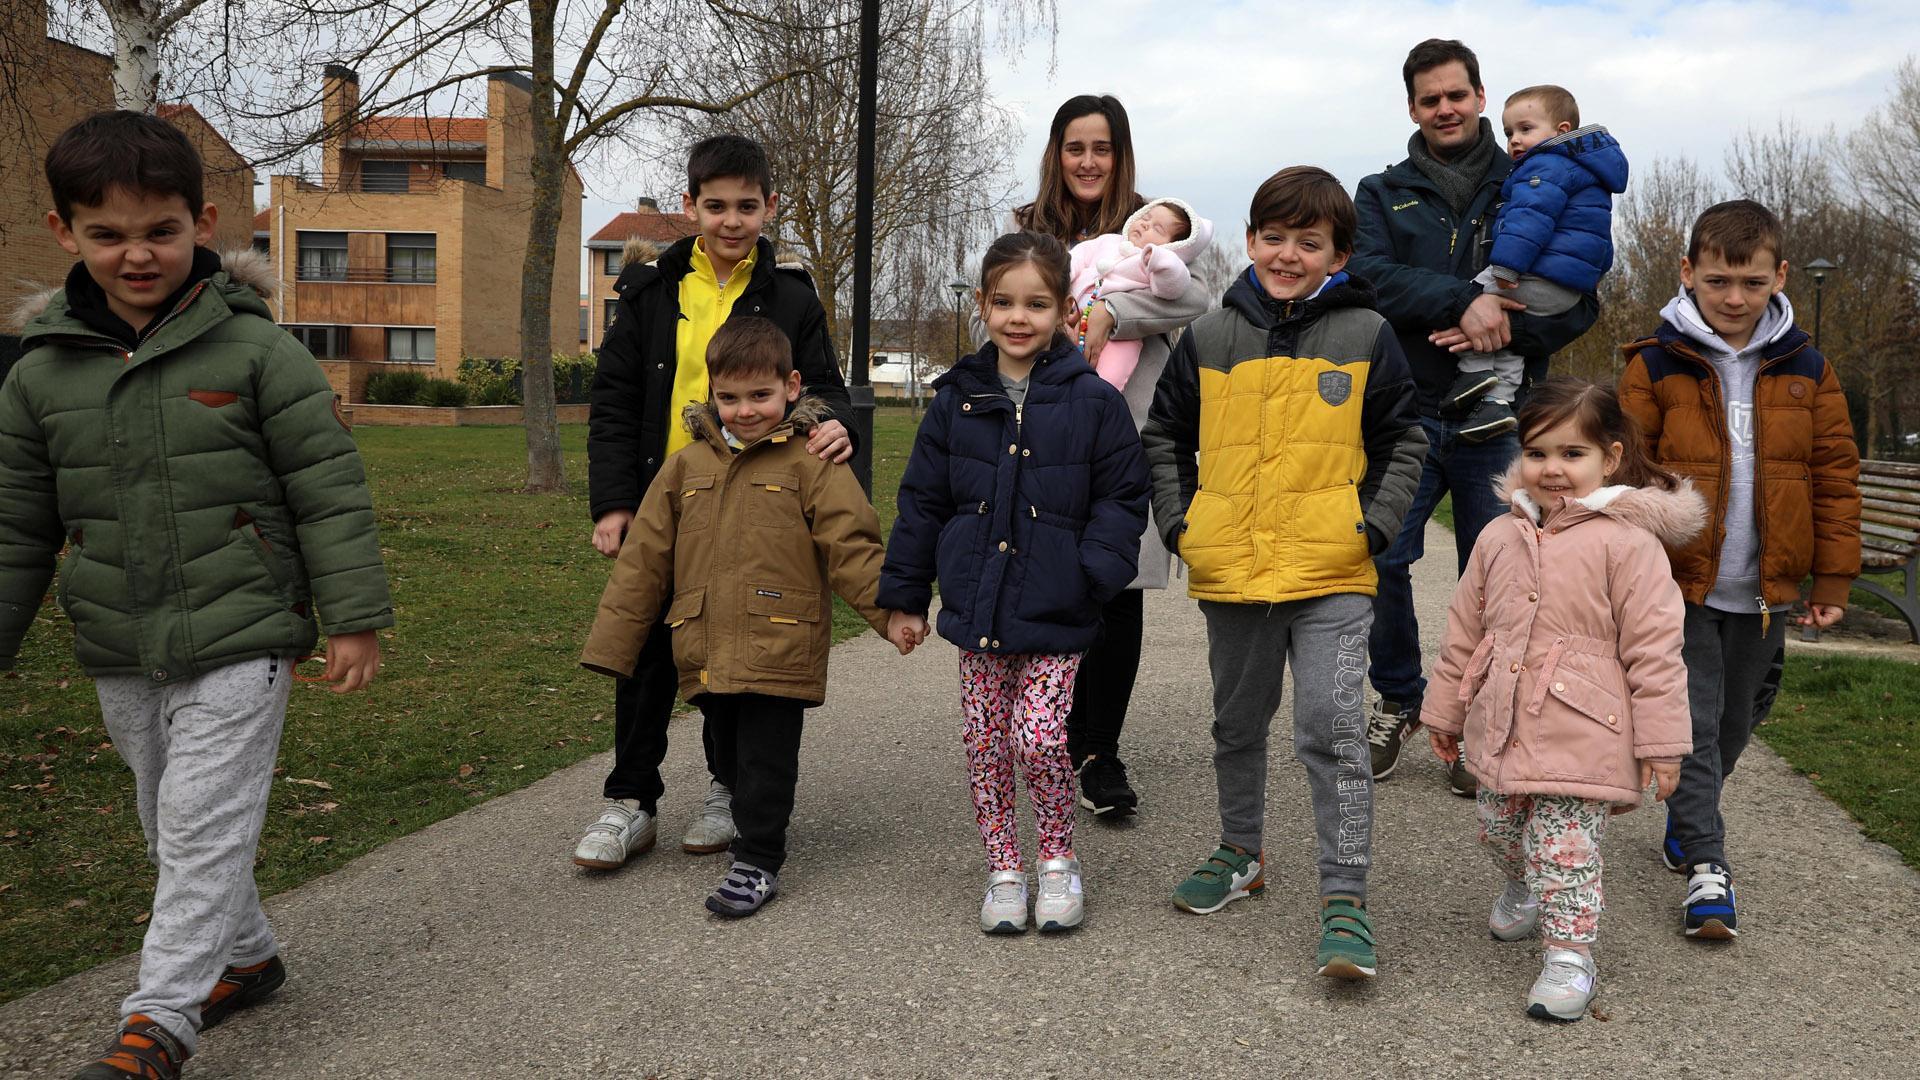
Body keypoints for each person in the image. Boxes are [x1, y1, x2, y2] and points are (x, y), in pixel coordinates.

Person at [0, 111, 393, 1080]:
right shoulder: (39, 373)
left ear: (203, 224)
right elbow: (17, 524)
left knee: (200, 825)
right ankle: (246, 958)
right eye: (108, 234)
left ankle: (159, 1021)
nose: (136, 254)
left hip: (244, 633)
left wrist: (352, 618)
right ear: (64, 233)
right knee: (166, 820)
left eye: (161, 231)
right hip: (119, 642)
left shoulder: (256, 352)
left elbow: (328, 488)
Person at [1140, 166, 1426, 980]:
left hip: (1333, 570)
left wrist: (1371, 526)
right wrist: (1184, 525)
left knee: (1332, 730)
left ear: (1339, 254)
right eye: (1273, 237)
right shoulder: (1208, 335)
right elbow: (1164, 436)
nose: (1288, 255)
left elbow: (1404, 439)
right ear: (1250, 239)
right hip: (1232, 571)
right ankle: (1242, 852)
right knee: (1236, 724)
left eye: (1310, 241)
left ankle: (1345, 896)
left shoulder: (1368, 333)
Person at [578, 134, 857, 870]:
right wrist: (614, 502)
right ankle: (630, 798)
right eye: (716, 206)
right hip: (663, 499)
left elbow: (826, 390)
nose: (732, 220)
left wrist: (838, 428)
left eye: (747, 206)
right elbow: (613, 403)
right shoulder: (650, 292)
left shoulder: (793, 298)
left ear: (770, 207)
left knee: (729, 653)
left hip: (748, 506)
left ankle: (727, 788)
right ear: (690, 206)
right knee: (646, 652)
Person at [581, 317, 899, 917]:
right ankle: (741, 824)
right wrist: (614, 643)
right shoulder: (685, 467)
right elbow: (644, 561)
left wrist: (892, 613)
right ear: (711, 393)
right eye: (729, 397)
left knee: (764, 759)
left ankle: (758, 859)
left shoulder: (811, 462)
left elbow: (852, 546)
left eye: (760, 395)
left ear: (792, 387)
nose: (745, 410)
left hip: (781, 642)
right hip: (706, 643)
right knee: (726, 755)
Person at [1350, 39, 1600, 794]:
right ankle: (1401, 698)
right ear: (1412, 108)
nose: (1445, 109)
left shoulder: (1535, 173)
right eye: (1430, 99)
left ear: (1481, 96)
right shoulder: (1381, 191)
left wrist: (1506, 331)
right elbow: (1368, 277)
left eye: (1456, 94)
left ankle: (1480, 715)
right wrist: (1465, 300)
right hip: (1407, 412)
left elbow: (1581, 296)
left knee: (1498, 574)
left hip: (1504, 417)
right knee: (1379, 557)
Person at [880, 231, 1149, 934]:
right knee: (986, 744)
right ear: (982, 304)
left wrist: (1094, 575)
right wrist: (906, 597)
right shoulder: (957, 399)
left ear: (1066, 310)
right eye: (1004, 302)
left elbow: (1123, 497)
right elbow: (922, 502)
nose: (1018, 318)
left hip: (1059, 606)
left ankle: (1056, 859)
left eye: (1036, 304)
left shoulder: (1093, 400)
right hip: (980, 605)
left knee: (1039, 738)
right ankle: (1005, 869)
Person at [1617, 198, 1862, 939]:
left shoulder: (1807, 368)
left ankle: (1689, 815)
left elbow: (1835, 476)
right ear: (1688, 272)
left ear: (1779, 277)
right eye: (1718, 280)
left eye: (1752, 283)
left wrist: (1832, 578)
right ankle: (1707, 866)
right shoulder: (1654, 363)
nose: (1734, 298)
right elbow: (1626, 469)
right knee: (1692, 720)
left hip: (1764, 587)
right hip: (1679, 583)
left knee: (1737, 718)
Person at [1423, 376, 1698, 1022]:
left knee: (1564, 850)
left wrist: (1661, 744)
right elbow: (1465, 630)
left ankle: (1570, 957)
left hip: (1586, 729)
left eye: (1573, 454)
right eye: (1537, 452)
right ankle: (1522, 887)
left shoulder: (1629, 545)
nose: (1552, 469)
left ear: (1611, 457)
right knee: (1498, 831)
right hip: (1504, 723)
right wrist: (1445, 710)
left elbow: (1656, 652)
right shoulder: (1499, 537)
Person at [1007, 94, 1209, 819]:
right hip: (1045, 433)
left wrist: (1111, 312)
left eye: (1102, 148)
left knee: (1119, 588)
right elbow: (999, 305)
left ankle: (1100, 750)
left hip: (1130, 432)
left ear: (1121, 155)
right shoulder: (1027, 229)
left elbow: (1193, 299)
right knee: (1057, 582)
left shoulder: (1155, 227)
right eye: (1075, 147)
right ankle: (1055, 735)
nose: (1088, 162)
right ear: (1056, 154)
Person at [1440, 85, 1627, 442]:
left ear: (1560, 131)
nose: (1514, 140)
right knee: (1510, 337)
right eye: (1509, 132)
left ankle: (1473, 373)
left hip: (1536, 275)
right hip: (1568, 289)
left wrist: (1506, 267)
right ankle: (1498, 401)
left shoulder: (1544, 166)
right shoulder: (1588, 173)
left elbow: (1529, 220)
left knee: (1468, 299)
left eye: (1525, 129)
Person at [1067, 196, 1215, 392]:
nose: (1145, 225)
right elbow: (1075, 258)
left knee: (1111, 373)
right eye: (1145, 218)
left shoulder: (1152, 264)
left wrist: (1161, 260)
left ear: (1175, 247)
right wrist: (1058, 284)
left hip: (1121, 336)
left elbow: (1174, 288)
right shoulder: (1107, 241)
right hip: (1072, 315)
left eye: (1157, 229)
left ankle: (1098, 399)